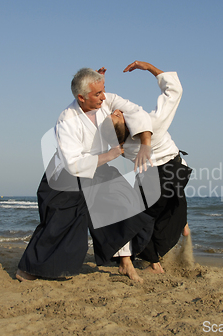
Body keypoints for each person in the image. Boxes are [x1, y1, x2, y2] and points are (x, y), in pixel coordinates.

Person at [17, 66, 154, 282]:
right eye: (97, 93)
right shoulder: (66, 119)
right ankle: (29, 269)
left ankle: (125, 261)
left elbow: (136, 111)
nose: (104, 97)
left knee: (125, 202)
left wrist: (145, 143)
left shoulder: (106, 101)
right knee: (61, 222)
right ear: (81, 98)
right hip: (66, 174)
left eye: (104, 90)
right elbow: (73, 164)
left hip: (97, 169)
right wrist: (111, 154)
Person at [105, 61, 192, 274]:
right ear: (122, 125)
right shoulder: (151, 124)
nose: (118, 111)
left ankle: (155, 254)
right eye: (117, 116)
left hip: (154, 176)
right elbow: (175, 90)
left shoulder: (120, 146)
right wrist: (148, 68)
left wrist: (101, 89)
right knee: (155, 216)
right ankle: (155, 259)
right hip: (174, 171)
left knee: (149, 213)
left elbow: (101, 114)